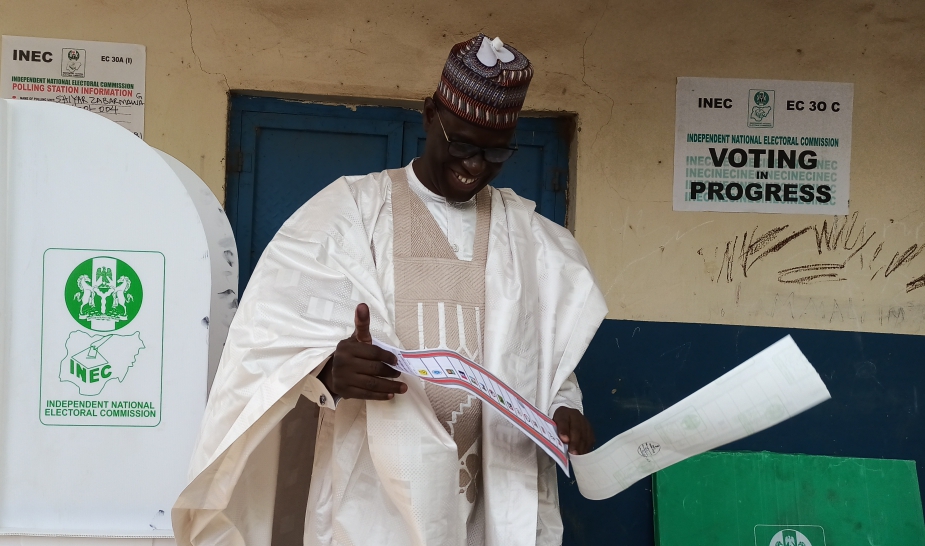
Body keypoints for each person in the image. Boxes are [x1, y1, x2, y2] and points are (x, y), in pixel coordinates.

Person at [173, 33, 607, 546]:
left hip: (491, 496)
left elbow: (549, 353)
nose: (474, 168)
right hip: (375, 497)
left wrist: (562, 409)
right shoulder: (350, 214)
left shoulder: (528, 236)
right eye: (463, 144)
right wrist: (329, 371)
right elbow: (264, 352)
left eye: (495, 154)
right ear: (430, 115)